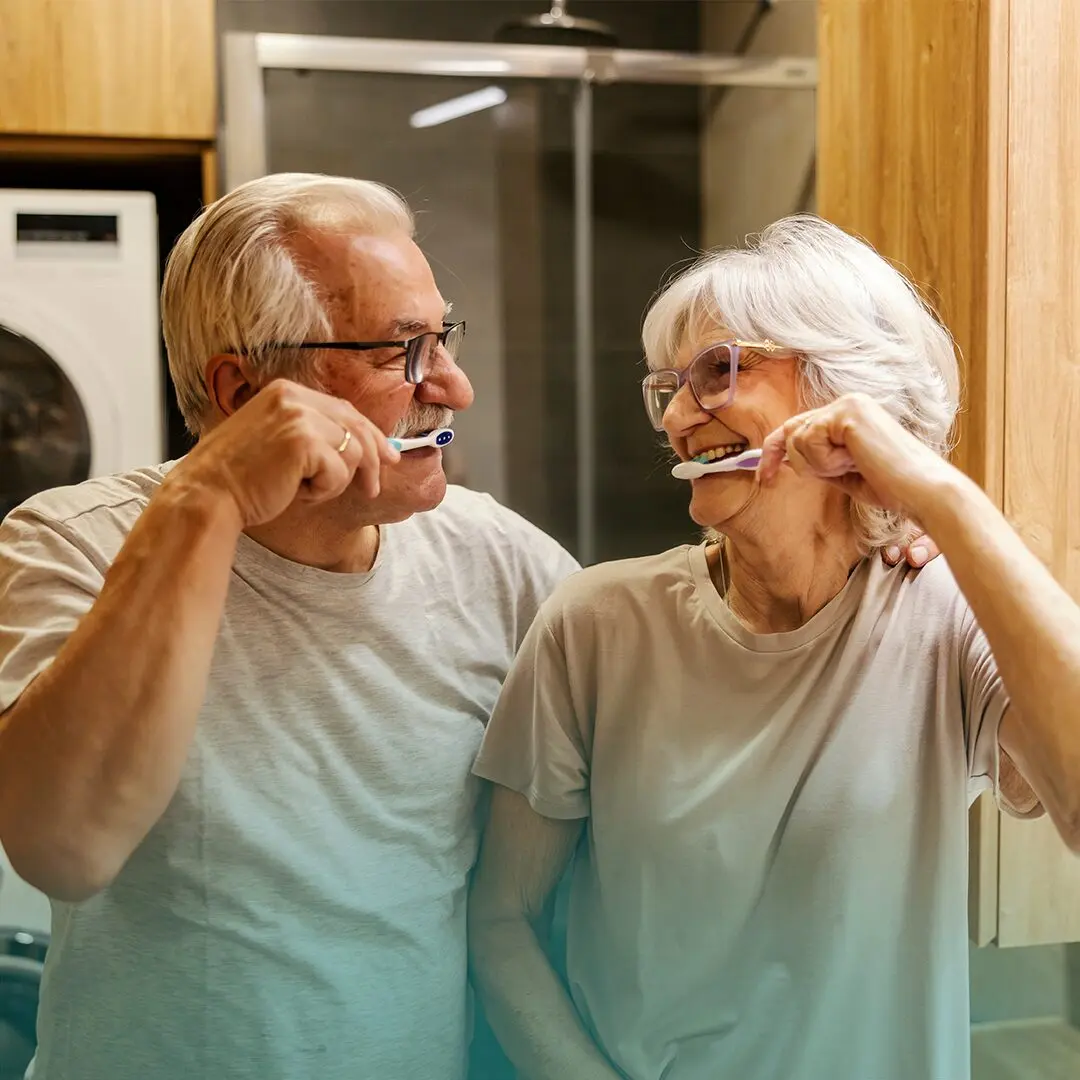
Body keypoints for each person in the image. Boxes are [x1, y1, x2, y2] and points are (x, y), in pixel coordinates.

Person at [0, 177, 932, 1080]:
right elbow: (67, 848)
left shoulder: (503, 564)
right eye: (401, 352)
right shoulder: (72, 547)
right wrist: (205, 498)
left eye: (443, 339)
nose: (454, 386)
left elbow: (686, 732)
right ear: (243, 393)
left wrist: (877, 528)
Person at [467, 215, 1080, 1080]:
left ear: (843, 389)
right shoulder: (596, 625)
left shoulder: (941, 615)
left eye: (718, 372)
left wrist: (945, 499)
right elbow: (503, 922)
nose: (678, 417)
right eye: (667, 388)